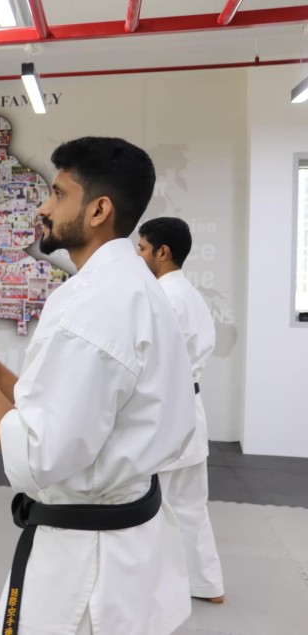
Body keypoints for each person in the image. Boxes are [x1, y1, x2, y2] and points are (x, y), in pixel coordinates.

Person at [0, 137, 196, 635]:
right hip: (126, 540)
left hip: (88, 566)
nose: (44, 207)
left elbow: (36, 457)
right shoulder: (131, 286)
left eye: (58, 194)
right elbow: (64, 411)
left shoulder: (93, 305)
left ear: (98, 210)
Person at [138, 216, 225, 604]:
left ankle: (153, 594)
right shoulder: (191, 295)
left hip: (165, 414)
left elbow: (150, 364)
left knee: (149, 509)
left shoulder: (162, 299)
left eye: (142, 248)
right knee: (191, 507)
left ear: (163, 252)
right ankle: (208, 586)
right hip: (190, 410)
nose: (138, 256)